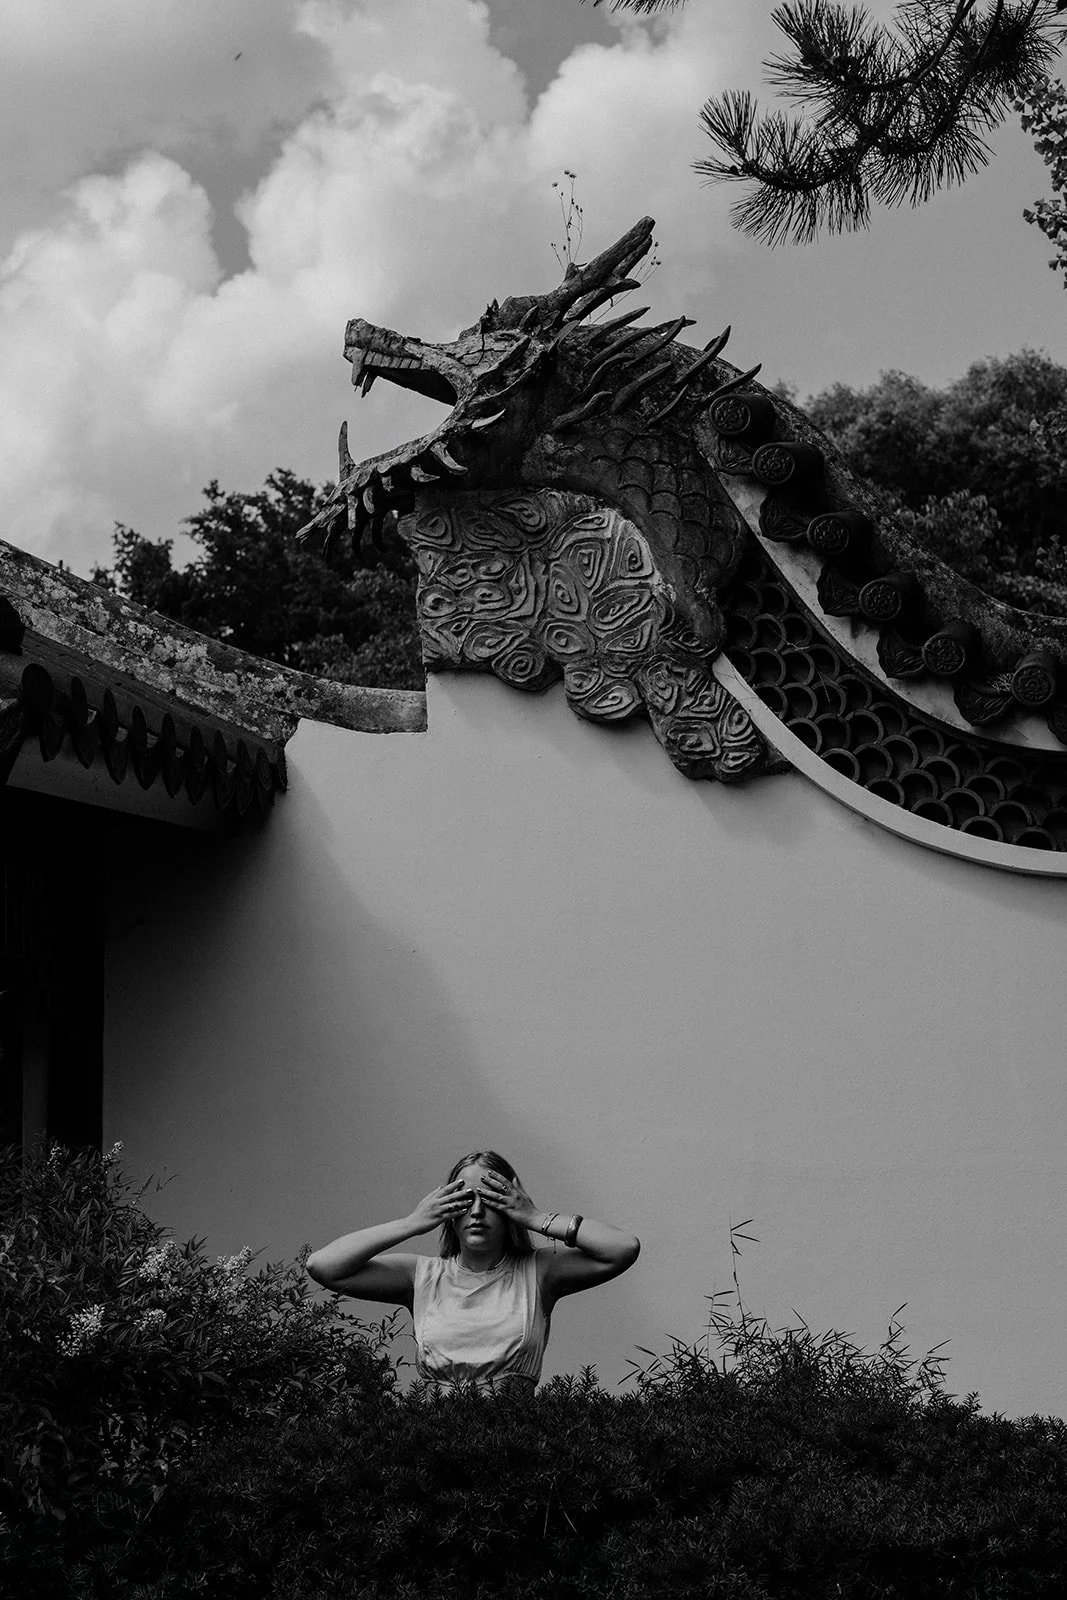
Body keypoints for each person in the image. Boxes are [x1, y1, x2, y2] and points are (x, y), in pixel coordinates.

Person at [306, 1149, 640, 1395]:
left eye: (490, 1199)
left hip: (513, 1447)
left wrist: (535, 1217)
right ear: (448, 1210)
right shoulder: (421, 1275)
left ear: (510, 1207)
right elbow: (323, 1266)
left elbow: (621, 1248)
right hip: (434, 1449)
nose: (477, 1212)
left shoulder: (539, 1272)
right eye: (465, 1200)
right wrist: (413, 1222)